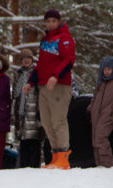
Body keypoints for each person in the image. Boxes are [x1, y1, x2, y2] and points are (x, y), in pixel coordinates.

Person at [22, 9, 77, 169]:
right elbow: (40, 65)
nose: (51, 24)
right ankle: (55, 156)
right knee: (46, 122)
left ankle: (64, 156)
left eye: (54, 21)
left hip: (59, 85)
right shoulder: (45, 40)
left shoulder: (64, 38)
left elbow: (69, 60)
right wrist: (30, 82)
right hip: (43, 85)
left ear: (59, 22)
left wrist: (55, 76)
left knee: (58, 120)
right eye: (48, 21)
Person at [11, 48, 42, 168]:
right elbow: (14, 94)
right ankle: (23, 167)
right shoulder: (17, 74)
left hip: (34, 110)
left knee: (34, 140)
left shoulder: (36, 72)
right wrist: (14, 113)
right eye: (24, 59)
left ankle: (34, 166)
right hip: (21, 111)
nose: (26, 61)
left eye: (28, 58)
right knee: (23, 140)